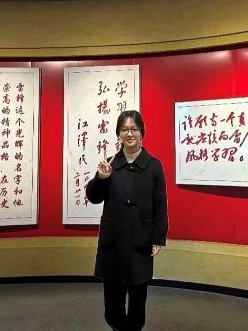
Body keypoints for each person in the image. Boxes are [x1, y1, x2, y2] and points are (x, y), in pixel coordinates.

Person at [85, 110, 168, 331]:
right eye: (124, 129)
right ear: (118, 133)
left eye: (134, 129)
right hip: (113, 241)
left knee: (137, 302)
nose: (129, 134)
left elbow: (160, 204)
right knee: (112, 304)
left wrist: (158, 238)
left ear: (142, 133)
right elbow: (93, 197)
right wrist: (101, 178)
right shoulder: (110, 164)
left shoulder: (154, 165)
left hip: (140, 240)